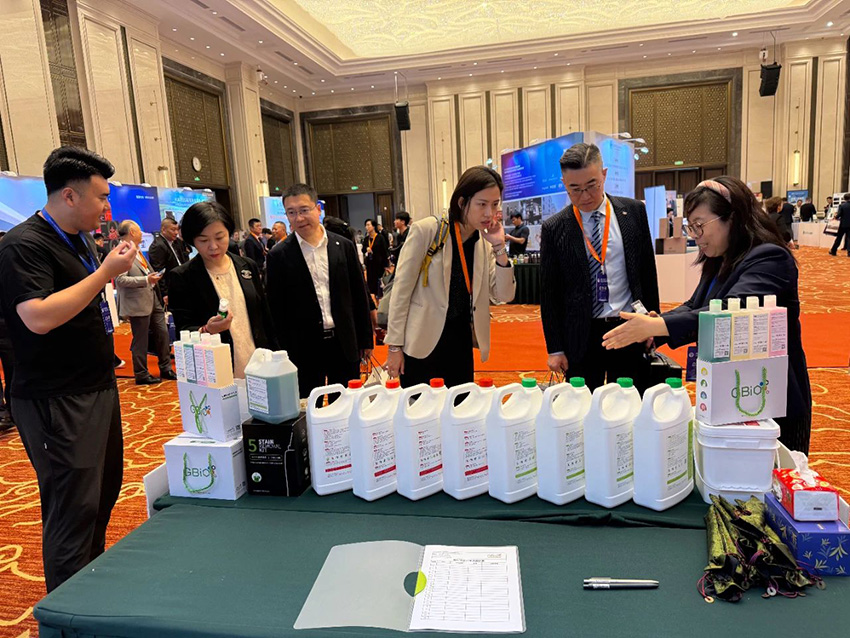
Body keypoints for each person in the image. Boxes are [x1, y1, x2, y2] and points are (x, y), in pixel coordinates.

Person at [0, 146, 137, 591]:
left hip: (95, 385)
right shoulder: (23, 244)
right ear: (70, 196)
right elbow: (37, 317)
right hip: (55, 398)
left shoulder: (78, 238)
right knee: (71, 507)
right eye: (101, 197)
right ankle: (67, 610)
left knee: (101, 495)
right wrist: (104, 274)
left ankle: (87, 591)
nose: (106, 208)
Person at [602, 177, 813, 453]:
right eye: (691, 227)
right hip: (731, 391)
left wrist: (658, 325)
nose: (695, 235)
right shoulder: (720, 259)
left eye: (700, 225)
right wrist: (655, 326)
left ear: (732, 217)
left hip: (770, 396)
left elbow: (731, 312)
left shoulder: (770, 258)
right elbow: (694, 305)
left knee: (773, 472)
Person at [540, 142, 659, 393]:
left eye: (592, 185)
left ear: (604, 175)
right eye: (575, 189)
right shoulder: (555, 228)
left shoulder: (633, 212)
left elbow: (647, 273)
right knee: (581, 405)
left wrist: (653, 325)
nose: (584, 196)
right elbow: (550, 294)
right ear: (564, 184)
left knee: (626, 402)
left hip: (627, 325)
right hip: (580, 333)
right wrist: (555, 348)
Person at [385, 166, 515, 387]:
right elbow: (401, 291)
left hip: (460, 342)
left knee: (459, 404)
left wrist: (499, 247)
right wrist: (394, 346)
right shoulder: (428, 230)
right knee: (421, 406)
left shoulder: (483, 242)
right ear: (462, 202)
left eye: (495, 205)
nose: (489, 213)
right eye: (482, 204)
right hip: (422, 341)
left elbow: (504, 295)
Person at [267, 184, 373, 396]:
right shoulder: (278, 255)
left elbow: (358, 294)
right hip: (303, 347)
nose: (299, 218)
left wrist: (365, 339)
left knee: (344, 404)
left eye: (304, 210)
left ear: (317, 209)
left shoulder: (343, 246)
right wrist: (280, 351)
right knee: (307, 405)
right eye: (291, 212)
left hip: (343, 342)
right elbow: (276, 309)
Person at [168, 202, 277, 378]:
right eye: (203, 240)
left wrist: (276, 357)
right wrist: (207, 330)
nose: (213, 246)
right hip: (217, 371)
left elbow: (265, 316)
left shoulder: (246, 266)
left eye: (220, 237)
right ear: (192, 240)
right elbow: (183, 330)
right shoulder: (183, 276)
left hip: (259, 364)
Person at [115, 220, 175, 385]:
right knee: (140, 339)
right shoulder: (121, 252)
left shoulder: (136, 250)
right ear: (132, 233)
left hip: (152, 297)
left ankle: (165, 367)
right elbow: (120, 280)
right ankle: (141, 373)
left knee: (162, 333)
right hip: (137, 303)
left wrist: (152, 277)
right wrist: (146, 280)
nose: (142, 233)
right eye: (139, 231)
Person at [147, 217, 189, 304]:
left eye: (177, 229)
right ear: (163, 230)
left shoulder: (177, 242)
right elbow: (159, 271)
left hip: (183, 283)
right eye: (173, 230)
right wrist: (165, 293)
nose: (176, 232)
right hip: (171, 286)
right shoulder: (157, 246)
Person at [362, 218, 389, 299]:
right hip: (370, 264)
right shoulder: (366, 239)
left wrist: (386, 265)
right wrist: (366, 248)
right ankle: (374, 299)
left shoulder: (380, 237)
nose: (366, 227)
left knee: (380, 284)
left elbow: (385, 251)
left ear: (373, 226)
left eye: (368, 225)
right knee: (371, 284)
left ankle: (380, 298)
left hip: (379, 264)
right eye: (366, 225)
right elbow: (363, 249)